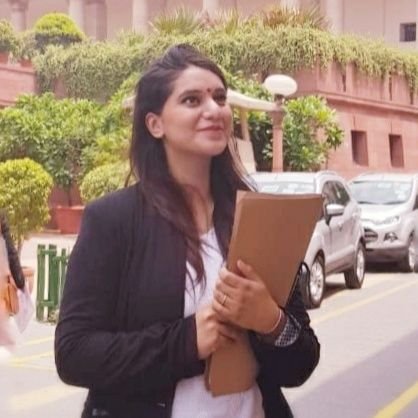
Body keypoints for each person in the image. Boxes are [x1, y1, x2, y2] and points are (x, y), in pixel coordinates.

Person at [55, 44, 320, 418]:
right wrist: (186, 341)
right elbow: (74, 354)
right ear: (155, 124)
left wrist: (269, 321)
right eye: (192, 100)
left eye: (220, 98)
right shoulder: (113, 220)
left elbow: (300, 364)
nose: (214, 110)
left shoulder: (257, 217)